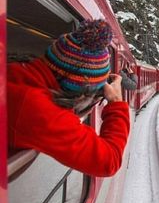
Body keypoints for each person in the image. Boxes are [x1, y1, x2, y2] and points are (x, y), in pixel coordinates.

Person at [7, 20, 130, 177]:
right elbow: (109, 162)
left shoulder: (17, 71)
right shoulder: (41, 110)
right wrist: (116, 104)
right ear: (79, 90)